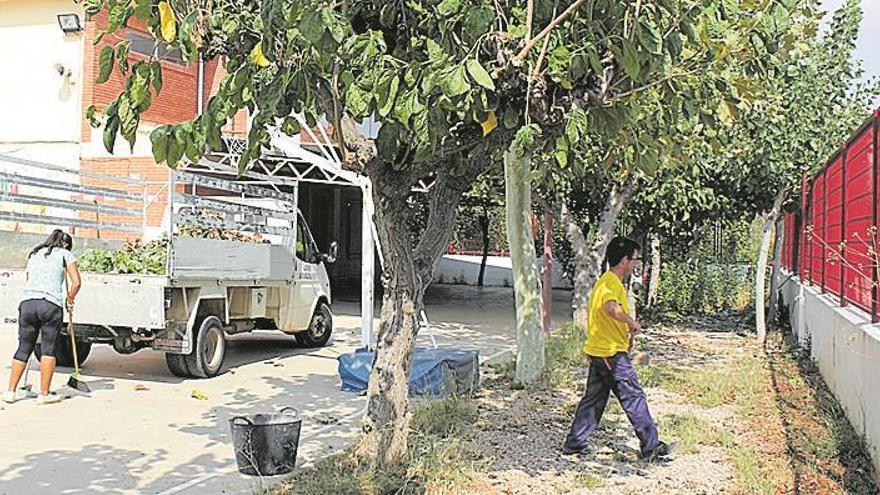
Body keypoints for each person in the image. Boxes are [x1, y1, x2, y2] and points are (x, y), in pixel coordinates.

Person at [562, 236, 673, 460]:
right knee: (633, 396)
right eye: (635, 259)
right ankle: (651, 447)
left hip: (601, 352)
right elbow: (611, 307)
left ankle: (575, 442)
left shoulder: (609, 282)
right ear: (624, 260)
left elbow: (609, 315)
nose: (636, 264)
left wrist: (626, 335)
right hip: (610, 354)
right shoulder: (609, 283)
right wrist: (631, 322)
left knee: (594, 399)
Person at [3, 230, 80, 405]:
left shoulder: (35, 253)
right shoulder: (65, 254)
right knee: (48, 349)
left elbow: (29, 278)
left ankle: (10, 392)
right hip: (50, 305)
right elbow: (76, 282)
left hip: (28, 303)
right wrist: (70, 299)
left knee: (23, 347)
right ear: (66, 243)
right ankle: (44, 394)